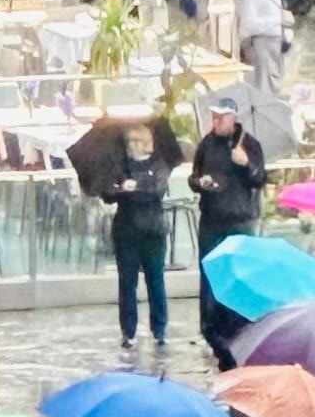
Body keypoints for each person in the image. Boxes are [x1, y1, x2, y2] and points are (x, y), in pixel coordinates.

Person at [189, 99, 267, 358]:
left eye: (221, 118)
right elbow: (194, 175)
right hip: (212, 219)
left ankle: (239, 325)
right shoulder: (206, 144)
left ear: (233, 118)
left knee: (239, 274)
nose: (216, 122)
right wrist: (200, 182)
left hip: (239, 219)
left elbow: (259, 179)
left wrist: (245, 163)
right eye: (214, 117)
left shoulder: (248, 144)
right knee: (210, 274)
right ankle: (210, 326)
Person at [102, 120, 182, 362]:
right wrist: (121, 188)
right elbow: (107, 193)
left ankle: (159, 329)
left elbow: (157, 189)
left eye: (138, 142)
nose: (133, 147)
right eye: (130, 142)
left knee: (155, 281)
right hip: (126, 231)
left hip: (153, 231)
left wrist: (133, 188)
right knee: (127, 283)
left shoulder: (159, 164)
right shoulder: (120, 166)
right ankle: (128, 331)